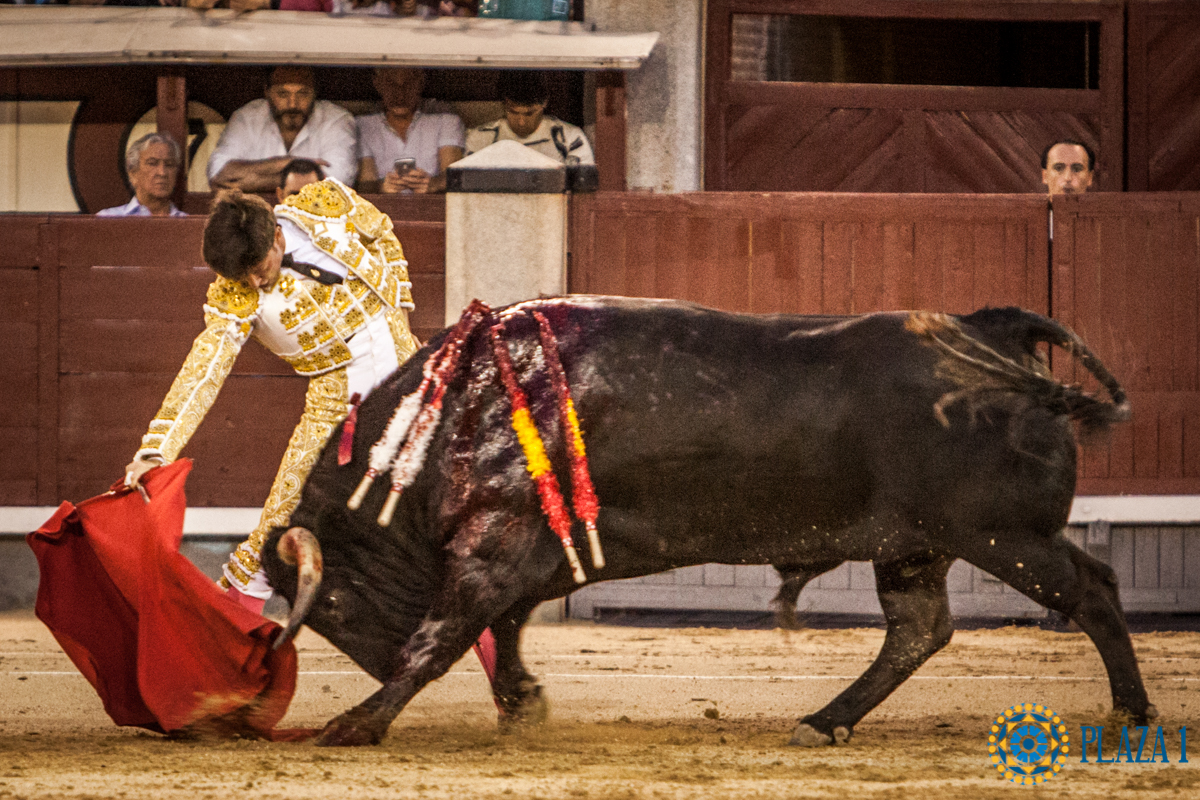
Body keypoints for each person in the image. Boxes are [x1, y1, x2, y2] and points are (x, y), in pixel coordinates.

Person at [123, 178, 420, 611]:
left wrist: (400, 302)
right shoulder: (235, 298)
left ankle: (501, 664)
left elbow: (380, 230)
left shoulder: (325, 204)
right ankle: (232, 655)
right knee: (276, 529)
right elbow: (203, 370)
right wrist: (156, 450)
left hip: (412, 374)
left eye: (259, 267)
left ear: (277, 235)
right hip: (337, 401)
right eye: (242, 276)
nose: (255, 282)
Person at [206, 66, 357, 191]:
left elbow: (337, 181)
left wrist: (255, 182)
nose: (292, 104)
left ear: (315, 93)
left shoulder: (336, 119)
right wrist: (285, 163)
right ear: (267, 92)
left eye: (302, 93)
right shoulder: (247, 117)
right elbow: (218, 173)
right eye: (283, 94)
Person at [355, 67, 465, 194]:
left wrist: (434, 184)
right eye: (391, 84)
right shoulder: (363, 125)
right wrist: (382, 187)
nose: (400, 94)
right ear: (377, 84)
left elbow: (453, 175)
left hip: (431, 206)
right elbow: (365, 182)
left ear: (421, 83)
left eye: (409, 84)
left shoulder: (446, 121)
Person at [465, 71, 594, 165]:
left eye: (529, 114)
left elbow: (581, 191)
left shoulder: (570, 138)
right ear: (504, 105)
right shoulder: (480, 138)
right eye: (513, 113)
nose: (521, 122)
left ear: (544, 104)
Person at [97, 133, 186, 218]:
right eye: (152, 163)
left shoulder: (189, 224)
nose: (162, 173)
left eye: (169, 164)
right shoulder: (108, 219)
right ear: (133, 174)